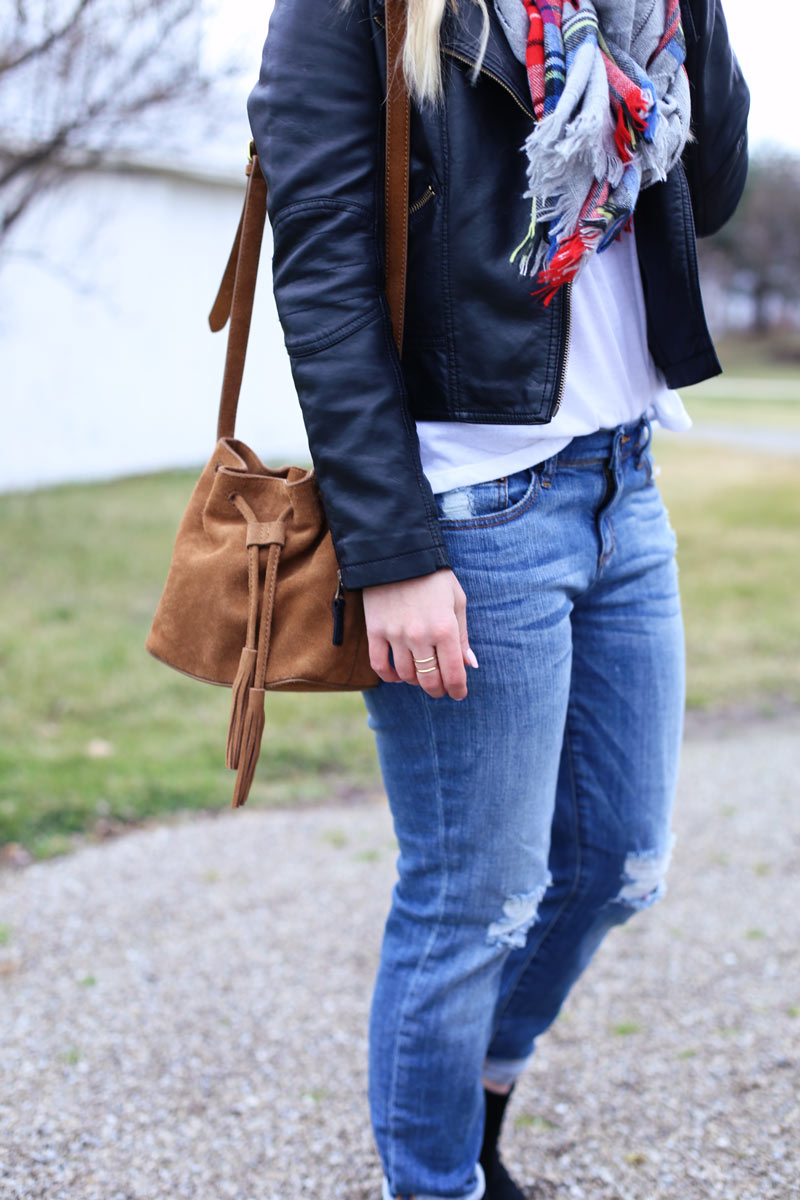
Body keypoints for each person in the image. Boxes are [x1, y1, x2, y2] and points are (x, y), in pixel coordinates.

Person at [247, 0, 749, 1194]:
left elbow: (713, 188)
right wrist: (394, 550)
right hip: (465, 514)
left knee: (617, 859)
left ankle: (472, 1095)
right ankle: (435, 1181)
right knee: (472, 901)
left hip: (619, 478)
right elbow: (321, 274)